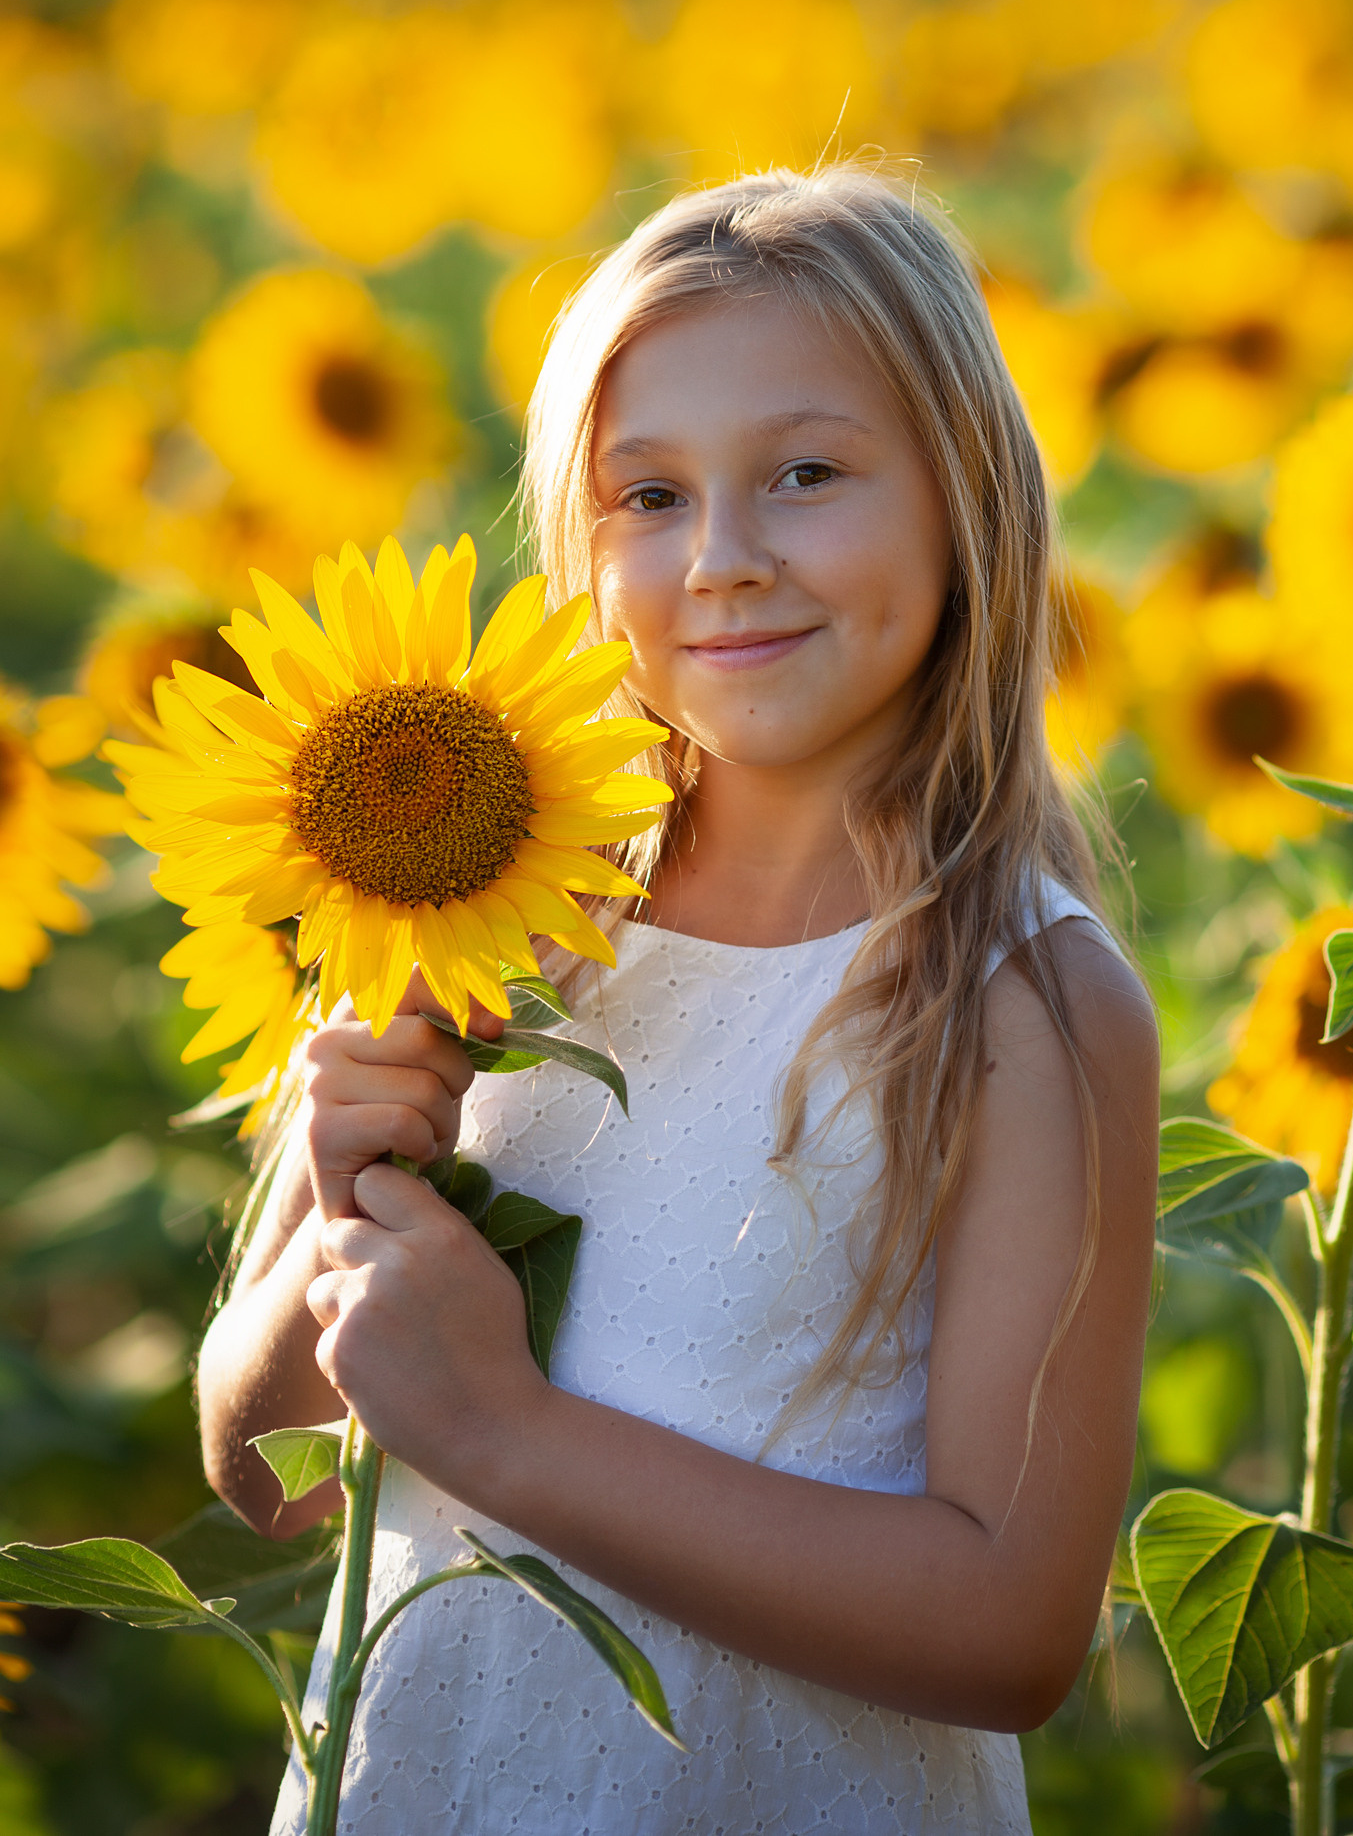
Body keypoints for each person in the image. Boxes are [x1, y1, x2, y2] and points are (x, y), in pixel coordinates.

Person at [197, 164, 1161, 1835]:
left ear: (966, 501)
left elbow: (1009, 1631)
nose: (722, 559)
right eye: (648, 495)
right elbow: (261, 1475)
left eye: (805, 474)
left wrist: (506, 1436)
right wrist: (335, 1182)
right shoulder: (488, 899)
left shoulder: (1020, 1002)